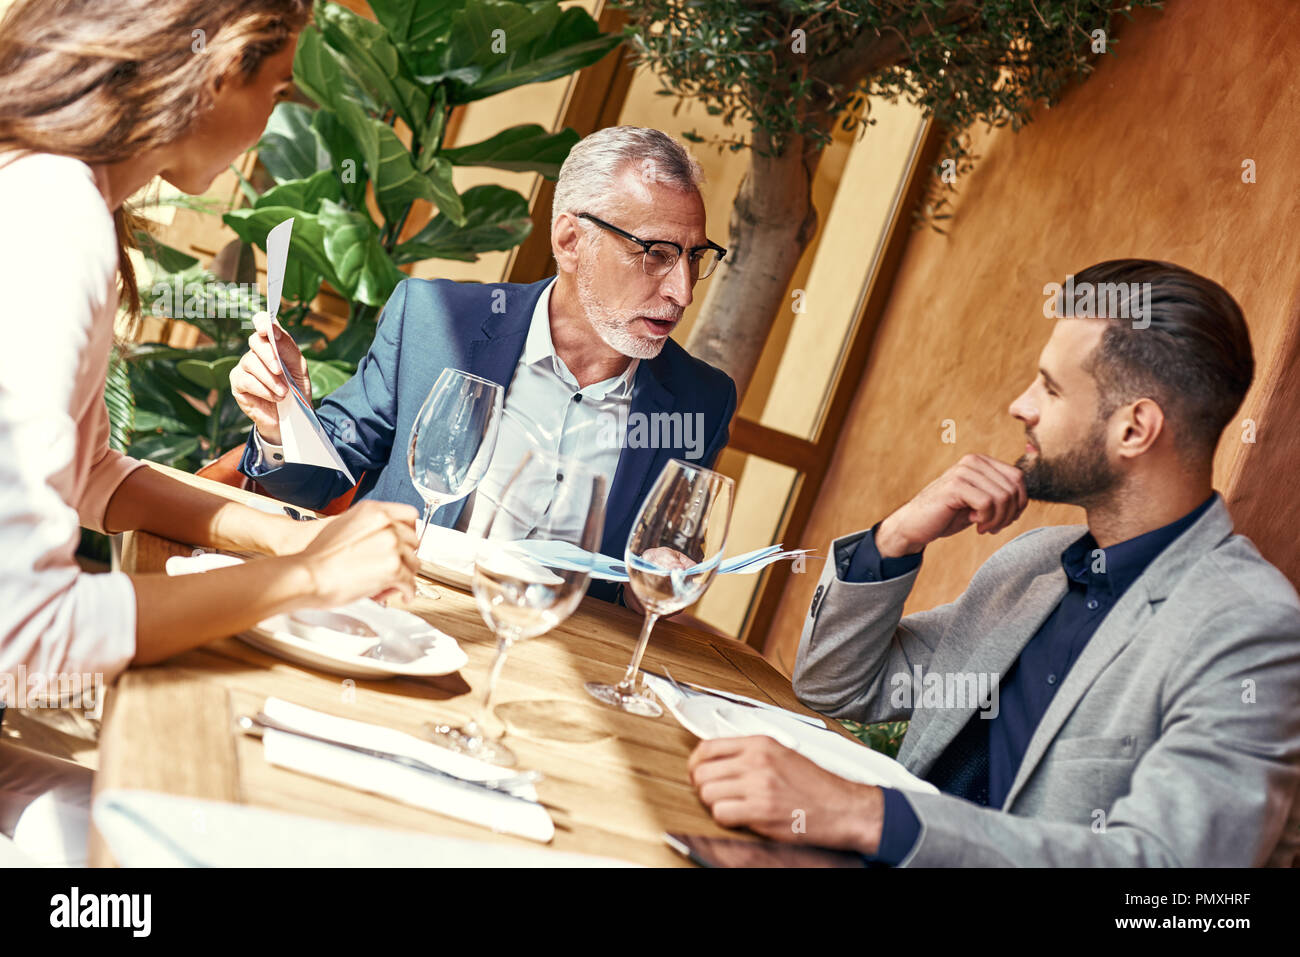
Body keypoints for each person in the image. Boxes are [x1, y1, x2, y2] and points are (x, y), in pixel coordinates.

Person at [688, 259, 1300, 866]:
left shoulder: (1247, 628)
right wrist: (897, 537)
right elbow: (835, 686)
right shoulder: (1034, 565)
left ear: (1135, 429)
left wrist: (864, 814)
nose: (1020, 405)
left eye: (1050, 388)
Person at [0, 0, 419, 862]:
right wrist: (305, 577)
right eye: (276, 88)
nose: (271, 123)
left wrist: (276, 532)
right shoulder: (55, 222)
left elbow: (91, 474)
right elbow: (28, 636)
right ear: (220, 68)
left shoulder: (47, 184)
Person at [231, 126, 738, 604]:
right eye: (656, 254)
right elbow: (322, 484)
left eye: (694, 257)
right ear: (570, 241)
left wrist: (661, 577)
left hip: (561, 660)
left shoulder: (702, 400)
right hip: (400, 614)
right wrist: (283, 424)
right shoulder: (433, 321)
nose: (683, 291)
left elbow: (659, 566)